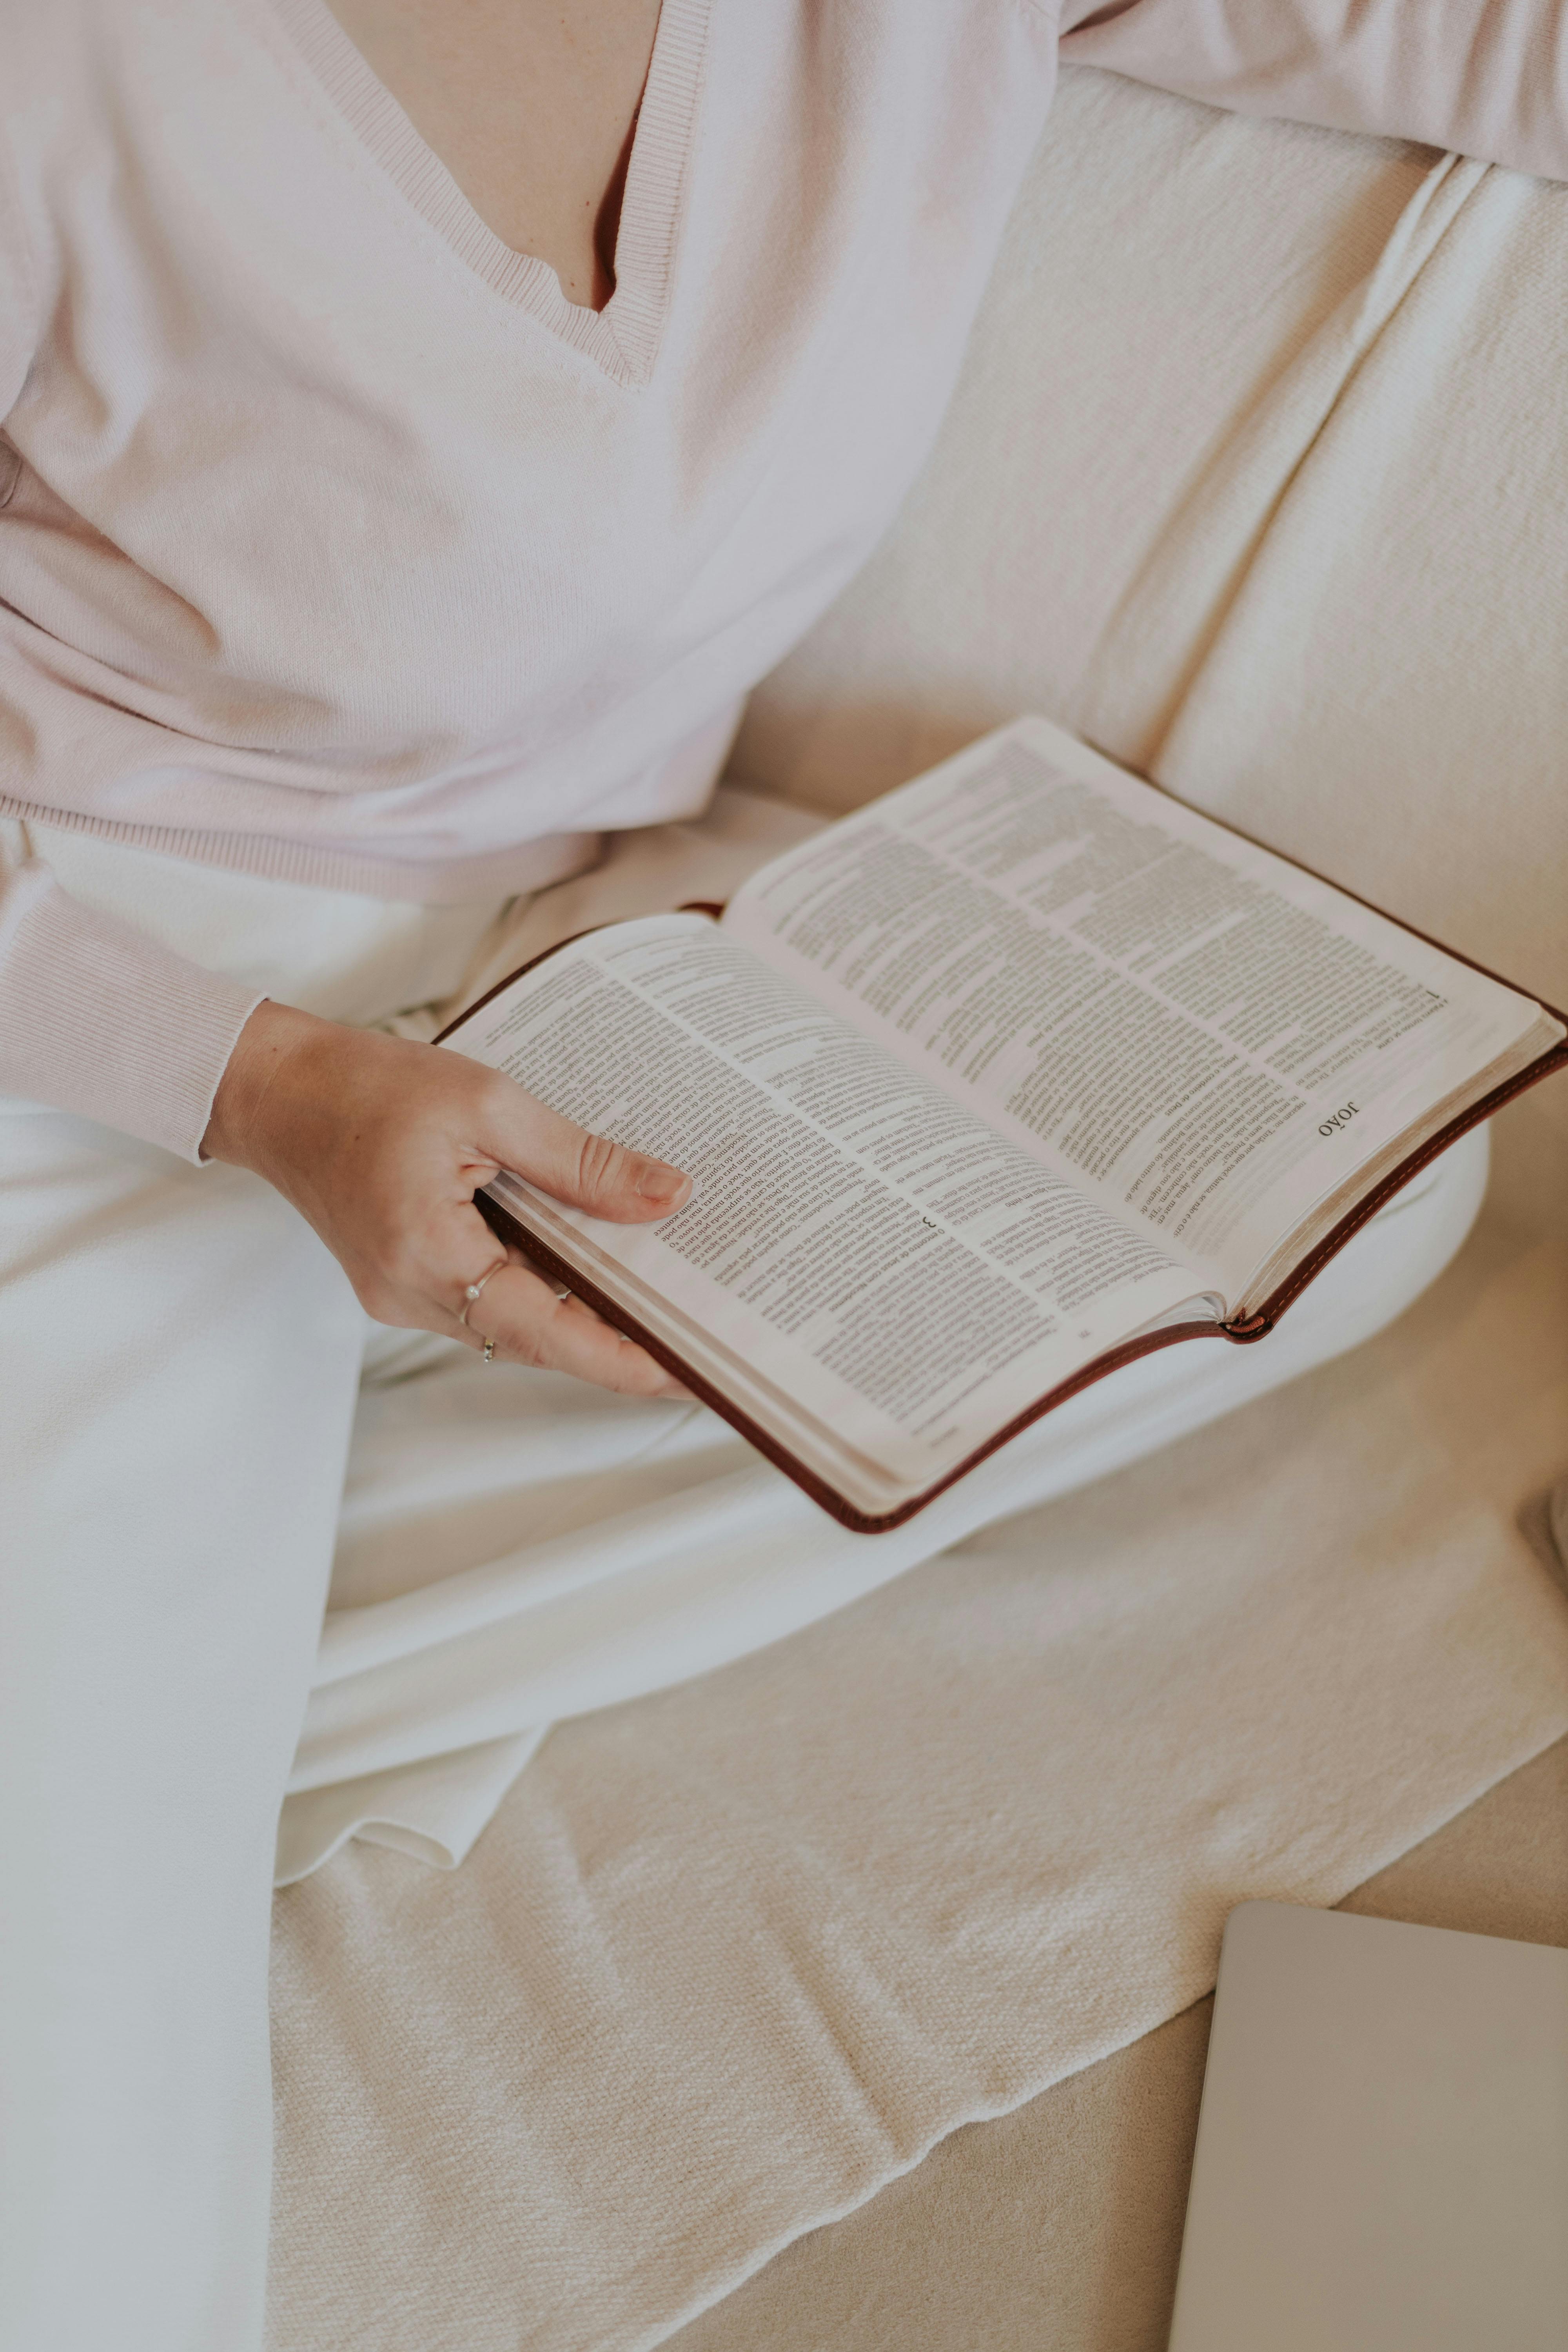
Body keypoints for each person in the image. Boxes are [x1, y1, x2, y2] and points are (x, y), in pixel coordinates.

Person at [1, 5, 1563, 2347]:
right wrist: (262, 1087)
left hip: (559, 952)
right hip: (108, 992)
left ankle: (181, 1633)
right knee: (80, 2060)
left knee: (1333, 1219)